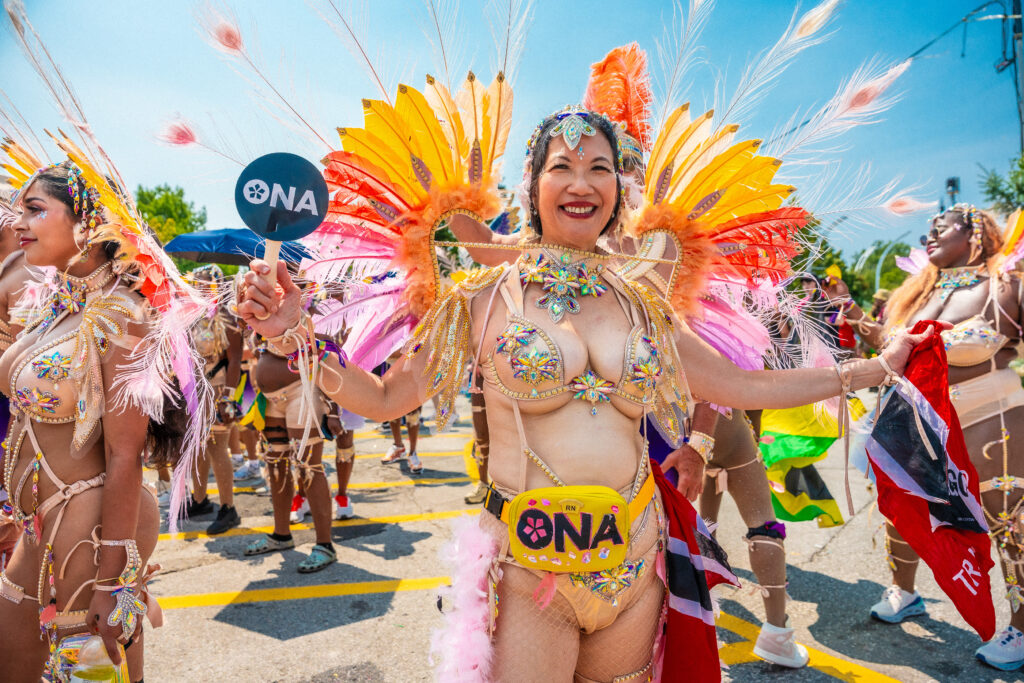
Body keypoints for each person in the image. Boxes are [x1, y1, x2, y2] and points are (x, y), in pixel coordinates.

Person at [237, 104, 932, 681]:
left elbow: (743, 383)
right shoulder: (482, 297)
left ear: (619, 190)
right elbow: (385, 397)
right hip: (532, 567)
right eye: (562, 166)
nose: (582, 181)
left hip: (635, 564)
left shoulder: (644, 302)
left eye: (601, 167)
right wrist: (293, 329)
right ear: (532, 185)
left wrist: (871, 369)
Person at [0, 146, 210, 681]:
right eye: (19, 210)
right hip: (37, 525)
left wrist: (113, 578)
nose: (17, 222)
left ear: (86, 223)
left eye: (35, 210)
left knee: (86, 672)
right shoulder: (56, 303)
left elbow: (124, 452)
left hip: (89, 529)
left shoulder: (125, 315)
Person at [825, 204, 1024, 672]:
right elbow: (889, 350)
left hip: (987, 417)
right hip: (916, 422)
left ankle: (1019, 624)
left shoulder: (1006, 285)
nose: (930, 233)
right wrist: (851, 310)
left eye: (944, 225)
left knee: (1008, 522)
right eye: (929, 228)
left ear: (976, 232)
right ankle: (906, 592)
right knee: (904, 507)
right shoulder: (916, 295)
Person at [244, 317, 337, 573]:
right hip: (271, 400)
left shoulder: (310, 313)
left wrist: (333, 408)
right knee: (275, 465)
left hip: (303, 393)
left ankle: (324, 545)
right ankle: (281, 534)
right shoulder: (263, 315)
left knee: (309, 467)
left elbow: (332, 354)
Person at [183, 265, 244, 535]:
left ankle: (228, 508)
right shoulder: (191, 317)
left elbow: (235, 361)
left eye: (204, 283)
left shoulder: (228, 318)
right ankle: (199, 500)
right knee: (197, 447)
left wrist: (228, 399)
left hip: (218, 389)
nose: (198, 287)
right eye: (196, 283)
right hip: (195, 389)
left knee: (218, 448)